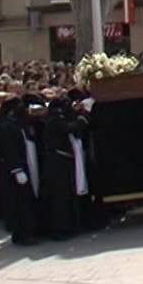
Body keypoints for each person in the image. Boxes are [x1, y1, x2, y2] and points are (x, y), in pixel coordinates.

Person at [42, 93, 90, 239]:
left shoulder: (58, 118)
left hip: (65, 162)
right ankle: (60, 229)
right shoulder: (53, 121)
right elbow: (69, 127)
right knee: (60, 197)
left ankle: (71, 225)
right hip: (57, 163)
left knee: (68, 196)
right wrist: (81, 119)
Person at [0, 95, 39, 245]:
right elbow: (8, 150)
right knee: (19, 202)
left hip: (26, 164)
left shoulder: (17, 123)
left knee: (26, 200)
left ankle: (29, 230)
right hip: (15, 171)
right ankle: (22, 234)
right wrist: (17, 169)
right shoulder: (6, 126)